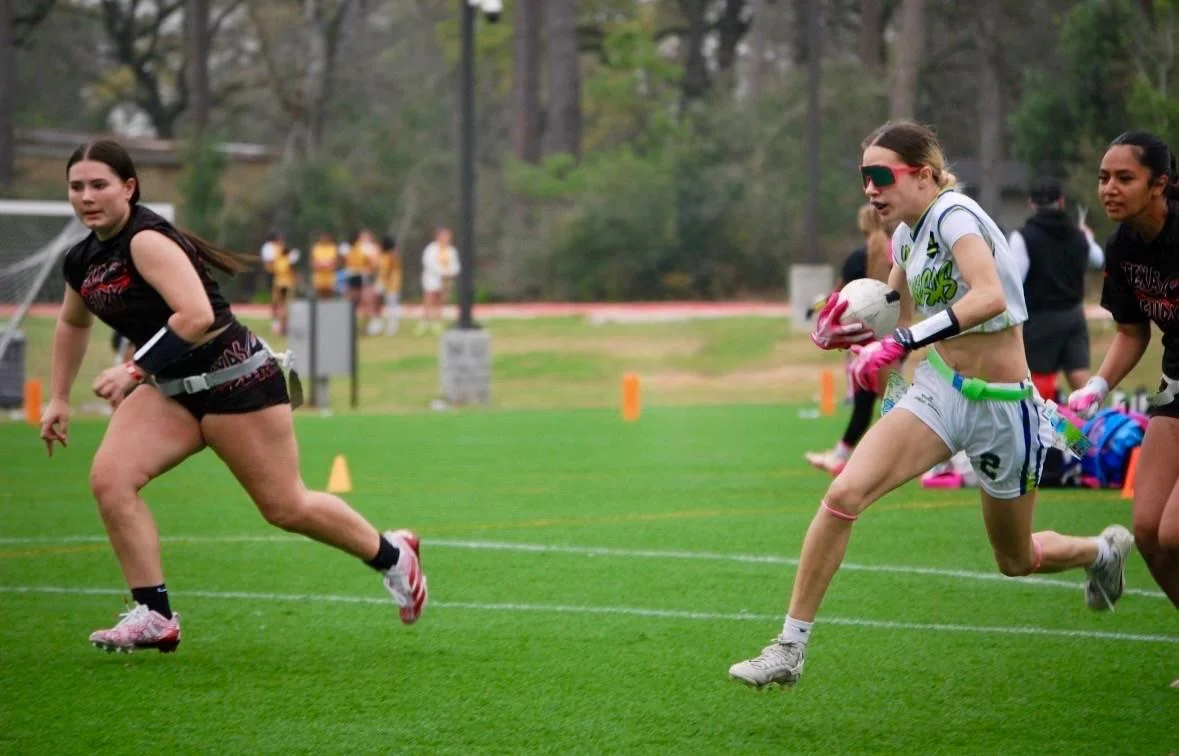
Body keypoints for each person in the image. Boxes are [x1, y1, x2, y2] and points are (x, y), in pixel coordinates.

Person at [728, 120, 1133, 689]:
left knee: (1015, 560)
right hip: (940, 391)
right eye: (863, 177)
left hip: (1003, 408)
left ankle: (1099, 549)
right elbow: (896, 306)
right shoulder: (905, 233)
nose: (870, 189)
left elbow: (988, 294)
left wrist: (901, 341)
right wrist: (855, 327)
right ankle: (789, 649)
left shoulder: (954, 216)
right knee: (844, 494)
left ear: (922, 174)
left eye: (880, 175)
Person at [40, 139, 428, 654]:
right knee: (110, 481)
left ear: (129, 188)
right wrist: (58, 397)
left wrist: (133, 369)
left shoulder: (146, 241)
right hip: (172, 391)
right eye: (77, 186)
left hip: (235, 382)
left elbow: (196, 317)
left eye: (99, 185)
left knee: (285, 507)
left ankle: (393, 554)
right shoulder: (81, 260)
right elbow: (71, 322)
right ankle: (155, 616)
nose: (86, 196)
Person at [1067, 130, 1179, 688]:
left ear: (1161, 184)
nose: (1109, 188)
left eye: (1124, 178)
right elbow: (1133, 332)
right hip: (1178, 387)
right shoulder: (1124, 246)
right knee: (1148, 529)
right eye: (1104, 177)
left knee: (1177, 530)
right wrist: (1096, 388)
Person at [805, 204, 893, 475]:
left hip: (862, 340)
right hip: (894, 338)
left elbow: (838, 297)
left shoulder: (858, 257)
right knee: (885, 398)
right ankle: (844, 454)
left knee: (880, 400)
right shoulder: (897, 254)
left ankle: (925, 460)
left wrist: (814, 308)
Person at [1009, 177, 1105, 402]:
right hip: (1074, 317)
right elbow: (1098, 259)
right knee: (1083, 387)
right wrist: (1089, 239)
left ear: (1031, 203)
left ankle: (1038, 433)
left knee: (1037, 392)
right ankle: (1095, 428)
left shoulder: (1022, 237)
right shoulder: (1078, 234)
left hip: (1040, 321)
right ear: (1061, 202)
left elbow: (1014, 282)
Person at [417, 226, 460, 335]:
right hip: (432, 279)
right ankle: (424, 322)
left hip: (445, 280)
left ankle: (436, 322)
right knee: (429, 299)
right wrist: (442, 272)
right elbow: (429, 263)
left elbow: (455, 265)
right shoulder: (431, 249)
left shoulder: (451, 250)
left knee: (440, 301)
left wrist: (450, 273)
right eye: (444, 236)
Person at [368, 234, 403, 336]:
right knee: (376, 302)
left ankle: (392, 327)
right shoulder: (383, 256)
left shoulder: (391, 256)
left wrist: (382, 283)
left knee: (392, 306)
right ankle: (377, 324)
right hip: (384, 282)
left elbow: (387, 271)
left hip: (391, 284)